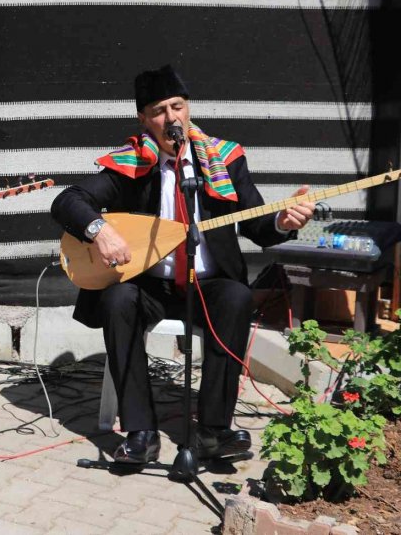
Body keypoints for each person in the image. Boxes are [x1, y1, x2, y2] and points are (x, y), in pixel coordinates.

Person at [51, 65, 314, 464]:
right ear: (143, 119)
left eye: (177, 106)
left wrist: (283, 220)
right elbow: (68, 200)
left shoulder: (224, 159)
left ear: (188, 109)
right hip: (149, 285)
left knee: (237, 298)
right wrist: (99, 230)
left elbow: (260, 223)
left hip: (207, 283)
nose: (170, 117)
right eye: (158, 110)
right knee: (118, 301)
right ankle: (140, 433)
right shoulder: (132, 164)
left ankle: (213, 430)